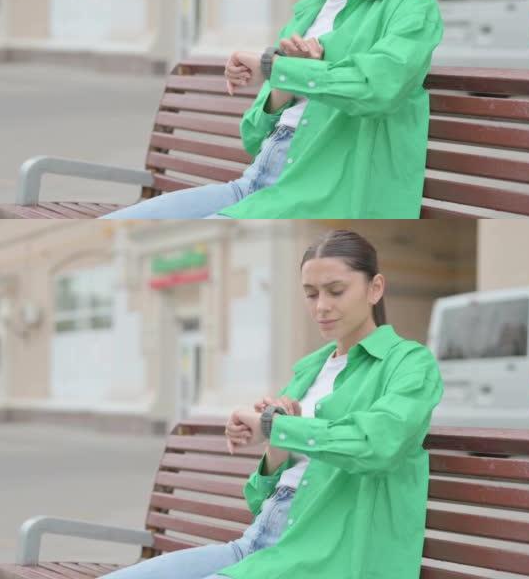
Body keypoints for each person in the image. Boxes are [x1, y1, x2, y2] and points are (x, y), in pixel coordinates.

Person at [100, 229, 443, 578]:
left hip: (321, 557)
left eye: (336, 291)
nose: (321, 306)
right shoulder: (311, 368)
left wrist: (274, 427)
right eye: (310, 294)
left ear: (375, 288)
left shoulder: (410, 364)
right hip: (255, 544)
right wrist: (276, 444)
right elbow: (258, 500)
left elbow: (379, 444)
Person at [103, 0, 443, 219]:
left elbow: (380, 87)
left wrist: (275, 68)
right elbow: (253, 136)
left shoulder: (409, 4)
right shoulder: (310, 9)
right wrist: (286, 81)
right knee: (117, 222)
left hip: (318, 193)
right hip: (253, 183)